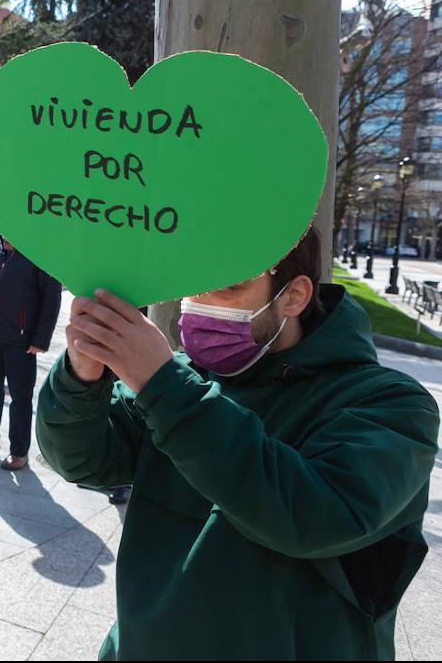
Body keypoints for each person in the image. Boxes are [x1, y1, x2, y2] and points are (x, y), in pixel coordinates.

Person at [36, 227, 438, 659]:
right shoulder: (184, 379)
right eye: (194, 284)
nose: (201, 304)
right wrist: (81, 375)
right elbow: (82, 460)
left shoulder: (390, 403)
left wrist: (167, 388)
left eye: (229, 286)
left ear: (293, 296)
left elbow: (316, 518)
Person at [0, 235, 62, 470]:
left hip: (21, 341)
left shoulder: (39, 249)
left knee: (20, 398)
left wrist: (40, 339)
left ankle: (19, 452)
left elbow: (52, 298)